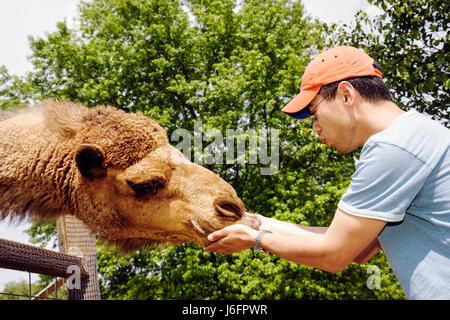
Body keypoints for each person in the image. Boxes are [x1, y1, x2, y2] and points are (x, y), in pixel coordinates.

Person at [205, 46, 450, 300]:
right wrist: (256, 223)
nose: (316, 127)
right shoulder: (414, 135)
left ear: (346, 95)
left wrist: (255, 239)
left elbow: (334, 254)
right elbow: (357, 248)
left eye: (314, 113)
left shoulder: (394, 148)